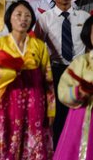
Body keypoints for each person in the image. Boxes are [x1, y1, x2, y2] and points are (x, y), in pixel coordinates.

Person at [0, 0, 54, 159]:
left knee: (33, 142)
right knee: (6, 140)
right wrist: (12, 70)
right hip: (7, 101)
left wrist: (51, 109)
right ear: (9, 18)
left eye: (27, 15)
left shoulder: (39, 46)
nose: (23, 19)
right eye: (18, 15)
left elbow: (48, 79)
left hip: (34, 100)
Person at [35, 0, 90, 142]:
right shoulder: (45, 19)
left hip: (80, 73)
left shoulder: (84, 17)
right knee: (59, 118)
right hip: (57, 72)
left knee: (81, 116)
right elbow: (37, 48)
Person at [54, 15, 93, 159]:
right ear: (89, 36)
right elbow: (63, 89)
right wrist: (78, 92)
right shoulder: (81, 62)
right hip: (83, 117)